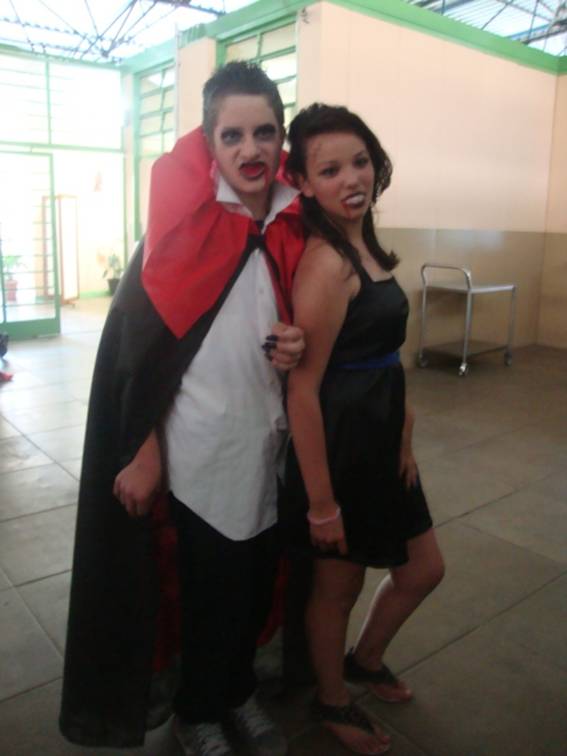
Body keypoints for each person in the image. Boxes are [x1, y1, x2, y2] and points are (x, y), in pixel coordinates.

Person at [60, 62, 306, 756]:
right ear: (209, 142)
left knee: (256, 587)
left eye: (264, 132)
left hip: (269, 448)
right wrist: (140, 447)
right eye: (233, 135)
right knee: (203, 594)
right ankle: (197, 712)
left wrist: (297, 341)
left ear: (281, 137)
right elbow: (135, 355)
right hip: (196, 455)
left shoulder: (291, 223)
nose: (251, 149)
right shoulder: (182, 229)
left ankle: (237, 693)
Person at [282, 104, 445, 755]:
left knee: (423, 569)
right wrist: (321, 503)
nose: (352, 178)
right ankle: (330, 698)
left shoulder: (368, 246)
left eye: (360, 161)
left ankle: (364, 659)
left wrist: (404, 431)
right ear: (303, 183)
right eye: (330, 170)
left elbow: (382, 356)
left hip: (383, 445)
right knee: (338, 586)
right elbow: (303, 390)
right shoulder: (326, 264)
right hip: (341, 452)